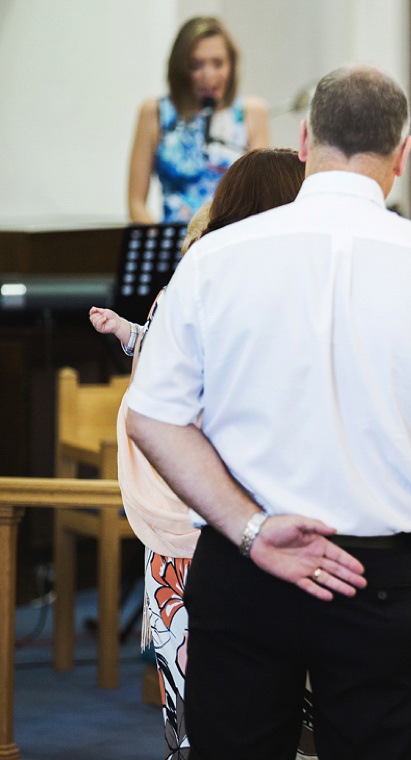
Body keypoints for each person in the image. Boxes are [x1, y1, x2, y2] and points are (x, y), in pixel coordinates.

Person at [125, 65, 411, 759]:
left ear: (304, 139)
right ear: (403, 153)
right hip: (380, 578)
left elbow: (152, 416)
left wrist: (249, 529)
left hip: (245, 565)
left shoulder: (216, 258)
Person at [91, 148, 309, 760]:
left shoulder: (208, 282)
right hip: (208, 515)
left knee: (209, 709)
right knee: (218, 708)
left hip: (208, 519)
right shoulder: (210, 288)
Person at [127, 16, 269, 224]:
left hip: (231, 241)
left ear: (231, 65)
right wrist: (159, 241)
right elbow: (136, 204)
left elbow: (261, 198)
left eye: (218, 63)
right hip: (174, 247)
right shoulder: (154, 112)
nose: (208, 75)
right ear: (180, 68)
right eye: (196, 65)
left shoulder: (253, 112)